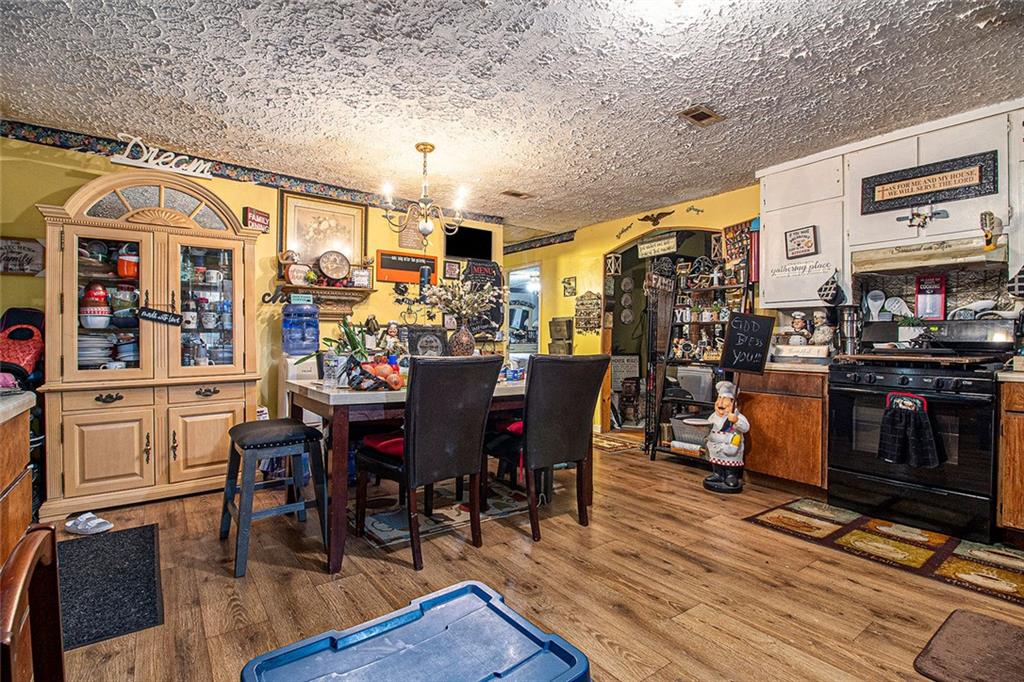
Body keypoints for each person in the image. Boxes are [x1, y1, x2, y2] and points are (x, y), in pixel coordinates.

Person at [703, 380, 750, 494]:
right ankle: (717, 474)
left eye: (725, 400)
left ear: (733, 403)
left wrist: (736, 421)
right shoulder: (713, 416)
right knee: (716, 462)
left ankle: (730, 476)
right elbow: (708, 426)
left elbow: (746, 427)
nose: (720, 403)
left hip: (730, 446)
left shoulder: (737, 416)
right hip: (715, 446)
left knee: (730, 462)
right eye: (719, 399)